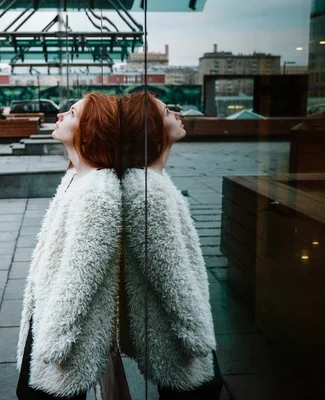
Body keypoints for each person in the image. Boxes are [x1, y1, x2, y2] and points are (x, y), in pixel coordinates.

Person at [16, 92, 122, 399]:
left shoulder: (97, 193)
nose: (61, 115)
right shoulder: (76, 177)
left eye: (72, 113)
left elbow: (80, 280)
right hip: (47, 318)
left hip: (63, 339)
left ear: (91, 129)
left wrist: (54, 342)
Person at [119, 92, 221, 399]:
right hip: (179, 342)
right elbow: (169, 275)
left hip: (175, 336)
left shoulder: (152, 183)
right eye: (167, 112)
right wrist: (198, 338)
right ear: (151, 127)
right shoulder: (150, 192)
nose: (177, 114)